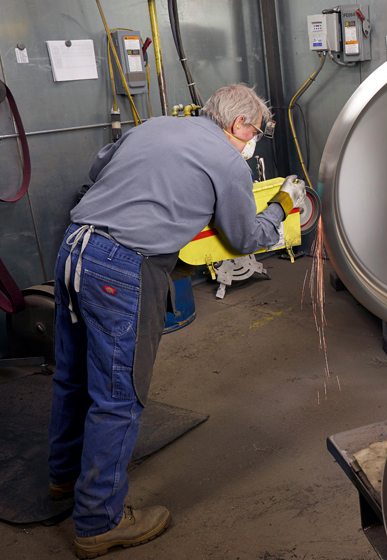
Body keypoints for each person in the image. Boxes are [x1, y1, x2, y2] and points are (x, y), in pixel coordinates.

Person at [47, 83, 305, 559]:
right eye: (257, 131)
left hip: (74, 247)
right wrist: (281, 209)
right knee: (119, 397)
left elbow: (99, 169)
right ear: (239, 125)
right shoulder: (228, 161)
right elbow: (244, 236)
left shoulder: (158, 125)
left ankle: (63, 477)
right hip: (121, 267)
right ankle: (98, 522)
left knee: (73, 376)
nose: (254, 142)